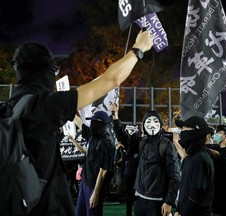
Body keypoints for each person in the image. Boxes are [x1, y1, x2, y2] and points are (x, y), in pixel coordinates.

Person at [2, 30, 153, 216]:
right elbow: (110, 80)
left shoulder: (7, 108)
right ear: (46, 71)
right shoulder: (45, 106)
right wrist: (138, 49)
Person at [134, 110, 181, 216]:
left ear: (160, 125)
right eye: (148, 121)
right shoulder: (143, 142)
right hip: (140, 199)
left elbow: (175, 176)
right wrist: (115, 119)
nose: (152, 125)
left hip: (157, 202)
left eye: (155, 121)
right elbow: (124, 140)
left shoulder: (166, 145)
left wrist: (169, 201)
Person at [172, 116, 214, 216]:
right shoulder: (190, 157)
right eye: (183, 129)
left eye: (186, 129)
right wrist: (178, 209)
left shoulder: (201, 158)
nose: (183, 132)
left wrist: (183, 213)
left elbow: (196, 194)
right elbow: (184, 188)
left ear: (197, 133)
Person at [76, 110, 115, 216]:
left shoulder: (106, 144)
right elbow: (79, 123)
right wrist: (69, 109)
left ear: (102, 124)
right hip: (85, 183)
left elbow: (103, 172)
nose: (92, 125)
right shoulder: (92, 137)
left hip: (93, 187)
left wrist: (95, 193)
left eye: (94, 122)